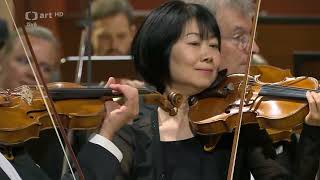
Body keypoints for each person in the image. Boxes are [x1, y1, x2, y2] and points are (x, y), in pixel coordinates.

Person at [84, 1, 294, 179]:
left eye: (213, 45)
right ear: (160, 50)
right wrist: (108, 131)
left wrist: (313, 130)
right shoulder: (132, 129)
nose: (209, 55)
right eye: (194, 43)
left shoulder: (234, 124)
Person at [183, 0, 320, 179]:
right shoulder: (148, 116)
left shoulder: (244, 119)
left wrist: (313, 130)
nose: (255, 48)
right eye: (240, 37)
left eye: (251, 36)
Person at [0, 25, 139, 180]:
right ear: (1, 58)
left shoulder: (55, 127)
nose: (33, 73)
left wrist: (108, 128)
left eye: (45, 68)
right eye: (24, 61)